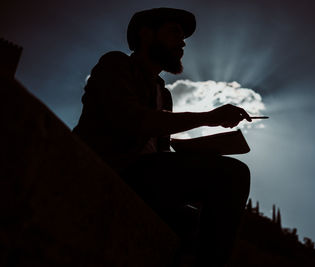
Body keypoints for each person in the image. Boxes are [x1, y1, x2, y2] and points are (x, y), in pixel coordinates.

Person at [73, 7, 251, 266]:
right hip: (113, 168)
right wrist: (207, 117)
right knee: (233, 175)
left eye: (183, 37)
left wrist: (199, 148)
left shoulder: (163, 93)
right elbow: (132, 121)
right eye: (174, 33)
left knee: (195, 224)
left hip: (146, 179)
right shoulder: (116, 64)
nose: (182, 43)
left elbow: (160, 152)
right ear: (146, 35)